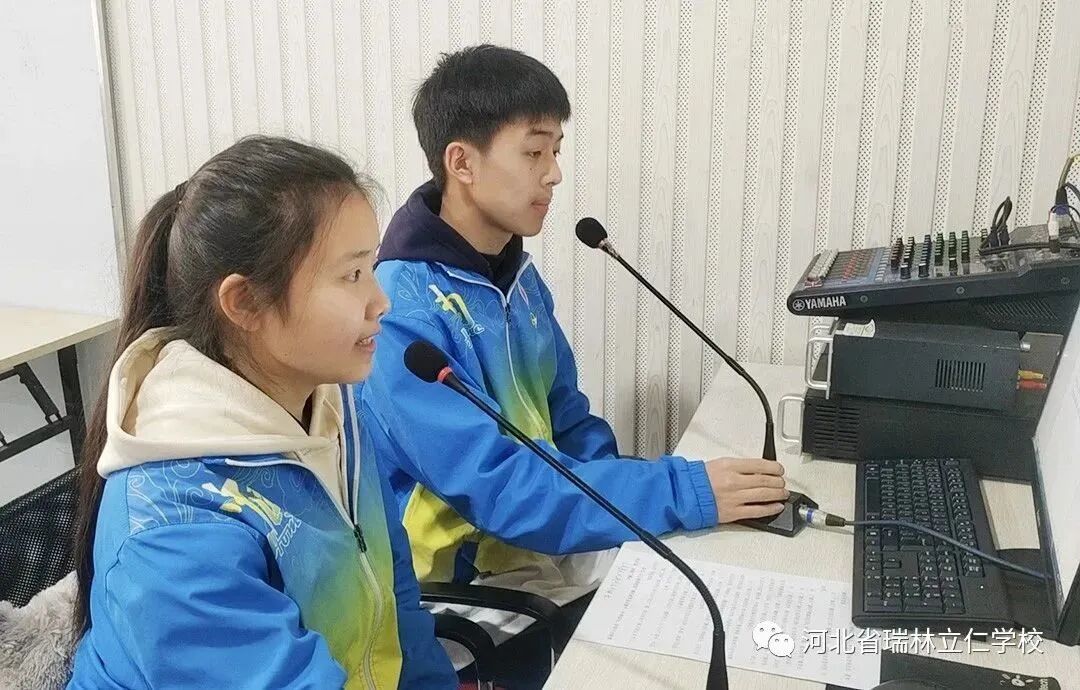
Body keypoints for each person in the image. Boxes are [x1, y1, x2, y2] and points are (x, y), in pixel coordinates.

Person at [361, 45, 788, 685]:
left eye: (557, 151)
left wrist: (641, 494)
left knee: (732, 593)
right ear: (462, 163)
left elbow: (572, 424)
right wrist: (680, 491)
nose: (555, 174)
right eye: (535, 153)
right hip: (467, 589)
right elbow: (500, 488)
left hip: (541, 553)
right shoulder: (403, 311)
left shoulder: (515, 277)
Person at [67, 136, 456, 689]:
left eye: (371, 267)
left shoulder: (331, 403)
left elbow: (397, 601)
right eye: (351, 276)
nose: (381, 301)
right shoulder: (173, 529)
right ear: (245, 302)